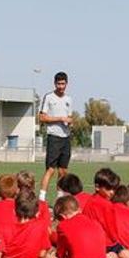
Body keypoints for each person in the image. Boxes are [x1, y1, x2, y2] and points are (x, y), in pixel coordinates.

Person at [46, 195, 116, 258]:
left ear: (62, 217)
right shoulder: (96, 224)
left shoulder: (63, 226)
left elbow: (60, 255)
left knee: (47, 257)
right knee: (113, 255)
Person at [38, 72, 73, 202]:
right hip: (54, 137)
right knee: (51, 170)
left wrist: (70, 121)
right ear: (55, 84)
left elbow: (69, 117)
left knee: (63, 171)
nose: (61, 86)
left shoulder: (69, 99)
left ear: (66, 84)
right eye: (58, 84)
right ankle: (41, 199)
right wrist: (59, 118)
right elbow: (42, 117)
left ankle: (60, 199)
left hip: (66, 137)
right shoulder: (49, 97)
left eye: (63, 84)